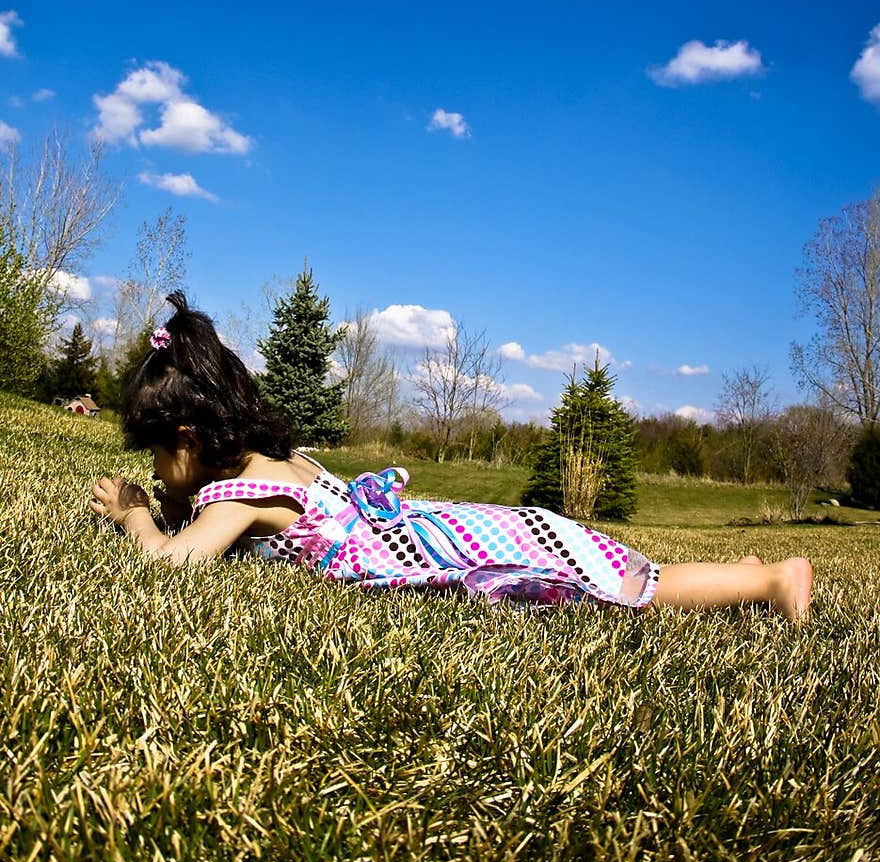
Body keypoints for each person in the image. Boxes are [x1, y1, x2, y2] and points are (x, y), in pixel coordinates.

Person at [89, 293, 813, 621]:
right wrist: (174, 497)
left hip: (431, 554)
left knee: (617, 591)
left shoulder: (238, 498)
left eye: (155, 457)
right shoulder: (286, 464)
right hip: (450, 522)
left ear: (187, 438)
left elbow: (173, 564)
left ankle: (774, 581)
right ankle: (740, 579)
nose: (153, 476)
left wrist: (136, 518)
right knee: (589, 555)